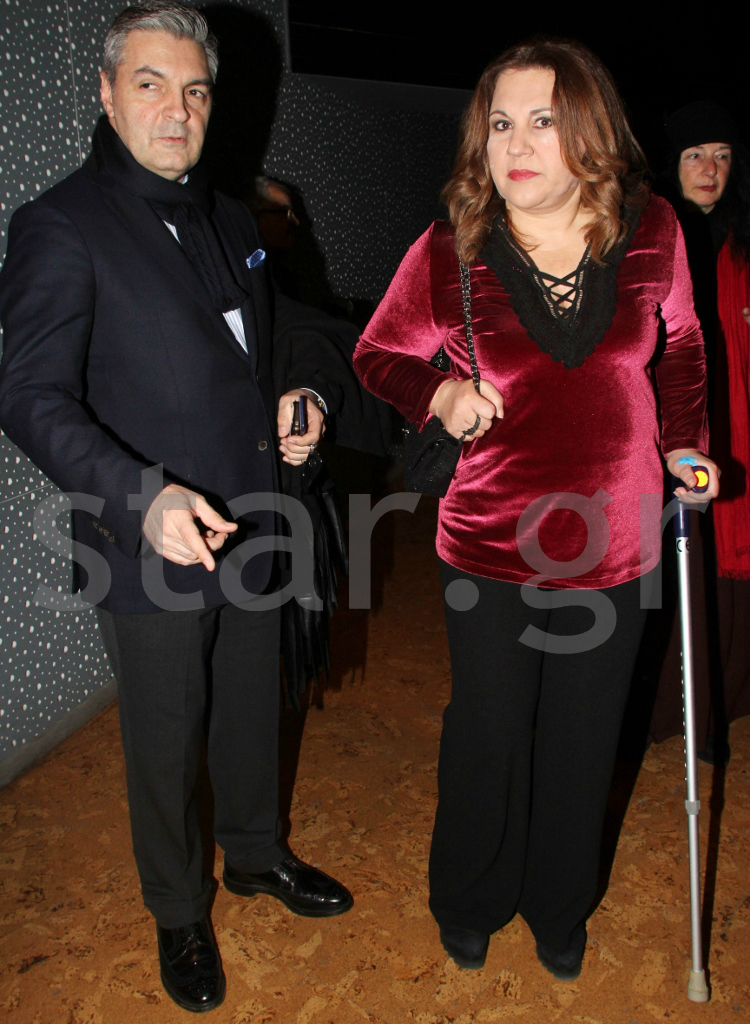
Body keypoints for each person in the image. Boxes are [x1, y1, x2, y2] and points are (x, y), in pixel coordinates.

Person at [0, 2, 353, 1013]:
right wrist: (139, 497)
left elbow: (267, 341)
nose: (178, 110)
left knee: (249, 705)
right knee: (165, 737)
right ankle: (178, 910)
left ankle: (255, 855)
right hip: (143, 535)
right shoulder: (61, 224)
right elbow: (27, 395)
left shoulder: (233, 217)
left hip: (252, 512)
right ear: (108, 94)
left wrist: (300, 398)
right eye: (151, 84)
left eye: (195, 90)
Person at [354, 38, 719, 980]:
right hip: (488, 540)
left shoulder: (654, 231)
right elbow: (377, 354)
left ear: (590, 130)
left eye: (543, 121)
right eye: (501, 123)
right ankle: (470, 896)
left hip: (620, 538)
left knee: (584, 740)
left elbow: (682, 343)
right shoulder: (452, 248)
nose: (515, 144)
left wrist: (685, 441)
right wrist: (438, 394)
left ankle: (561, 906)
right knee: (488, 729)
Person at [647, 102, 750, 761]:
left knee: (717, 560)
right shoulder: (650, 234)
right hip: (662, 420)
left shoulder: (743, 238)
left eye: (722, 155)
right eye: (694, 155)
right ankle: (654, 706)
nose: (709, 168)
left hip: (732, 416)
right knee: (662, 558)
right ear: (673, 165)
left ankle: (710, 708)